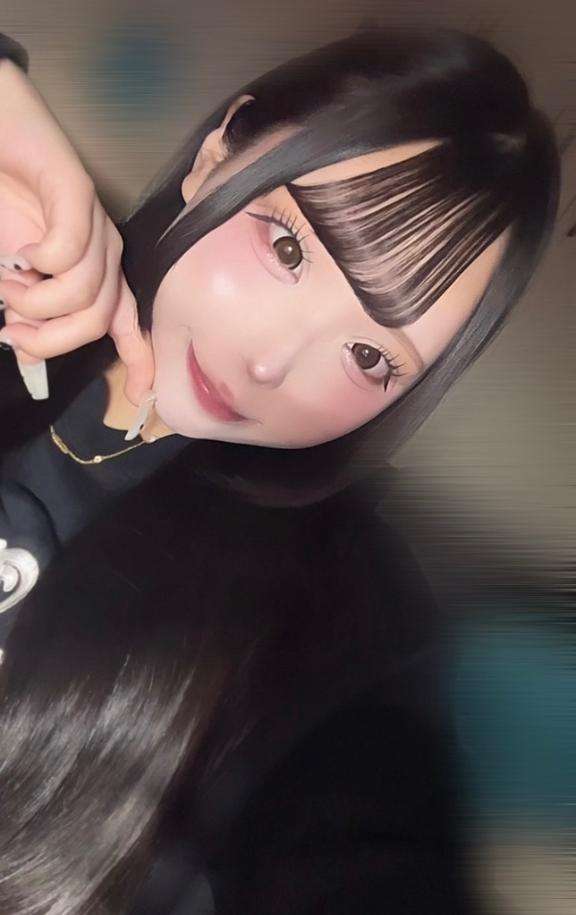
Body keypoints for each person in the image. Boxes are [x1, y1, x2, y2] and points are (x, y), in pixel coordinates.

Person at [0, 24, 559, 914]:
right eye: (290, 248)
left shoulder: (348, 616)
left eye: (371, 358)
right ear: (217, 154)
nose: (268, 364)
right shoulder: (18, 247)